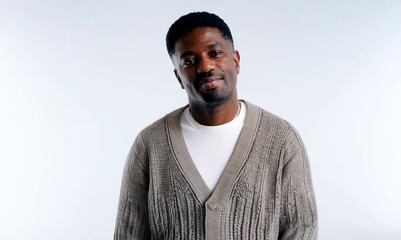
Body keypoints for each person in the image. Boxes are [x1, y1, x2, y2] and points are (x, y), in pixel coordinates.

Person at [114, 12, 318, 240]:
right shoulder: (150, 144)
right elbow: (129, 233)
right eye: (189, 61)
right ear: (178, 77)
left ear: (236, 60)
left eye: (215, 53)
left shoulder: (281, 139)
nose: (205, 66)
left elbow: (301, 230)